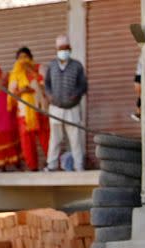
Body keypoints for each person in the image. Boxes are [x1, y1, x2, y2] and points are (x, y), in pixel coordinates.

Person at [44, 34, 88, 172]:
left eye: (66, 48)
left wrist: (77, 94)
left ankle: (78, 166)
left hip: (72, 108)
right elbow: (47, 84)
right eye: (61, 48)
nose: (64, 51)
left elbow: (83, 85)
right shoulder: (51, 66)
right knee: (55, 139)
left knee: (75, 139)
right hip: (55, 107)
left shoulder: (77, 66)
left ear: (70, 48)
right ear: (56, 49)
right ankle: (51, 165)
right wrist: (49, 95)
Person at [9, 47, 49, 171]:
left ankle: (52, 164)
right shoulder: (15, 74)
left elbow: (46, 85)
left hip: (40, 108)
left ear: (31, 57)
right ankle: (32, 166)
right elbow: (11, 94)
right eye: (20, 58)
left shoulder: (39, 68)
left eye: (25, 57)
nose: (23, 60)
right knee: (27, 142)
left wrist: (32, 72)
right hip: (23, 112)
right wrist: (22, 91)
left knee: (46, 139)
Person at [131, 51, 144, 122]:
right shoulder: (143, 52)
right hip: (139, 74)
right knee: (140, 95)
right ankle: (139, 113)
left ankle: (139, 113)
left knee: (141, 95)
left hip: (141, 75)